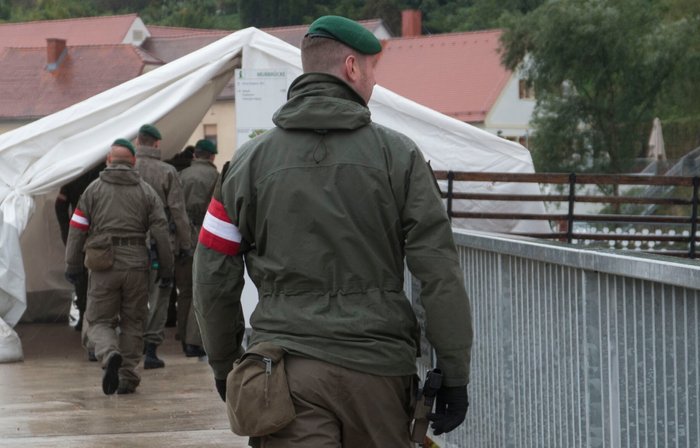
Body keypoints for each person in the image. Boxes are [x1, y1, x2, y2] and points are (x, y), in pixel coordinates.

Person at [194, 15, 473, 447]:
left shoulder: (246, 163)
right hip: (378, 371)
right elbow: (439, 273)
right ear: (351, 68)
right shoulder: (399, 157)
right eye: (372, 69)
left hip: (285, 372)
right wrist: (453, 373)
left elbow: (212, 273)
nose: (375, 82)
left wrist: (224, 363)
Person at [64, 139, 173, 395]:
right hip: (136, 263)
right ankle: (127, 376)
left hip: (102, 264)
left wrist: (72, 265)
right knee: (134, 322)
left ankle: (108, 352)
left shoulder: (92, 190)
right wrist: (166, 269)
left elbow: (77, 229)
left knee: (99, 320)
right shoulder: (146, 191)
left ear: (108, 161)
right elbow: (161, 232)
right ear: (133, 162)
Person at [134, 124, 192, 369]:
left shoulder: (127, 168)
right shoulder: (167, 171)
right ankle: (150, 350)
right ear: (156, 144)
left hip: (132, 244)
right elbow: (178, 212)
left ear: (138, 142)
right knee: (159, 295)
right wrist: (186, 244)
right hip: (160, 244)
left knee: (132, 296)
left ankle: (129, 346)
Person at [175, 139, 219, 357]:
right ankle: (194, 340)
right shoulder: (216, 177)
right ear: (211, 157)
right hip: (205, 235)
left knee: (184, 291)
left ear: (195, 155)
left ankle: (182, 335)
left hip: (182, 236)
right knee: (198, 290)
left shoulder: (180, 176)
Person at [55, 161, 106, 334]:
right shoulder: (104, 174)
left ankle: (85, 315)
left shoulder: (74, 176)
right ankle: (101, 320)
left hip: (79, 233)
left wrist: (67, 230)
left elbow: (60, 206)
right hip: (102, 235)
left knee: (80, 275)